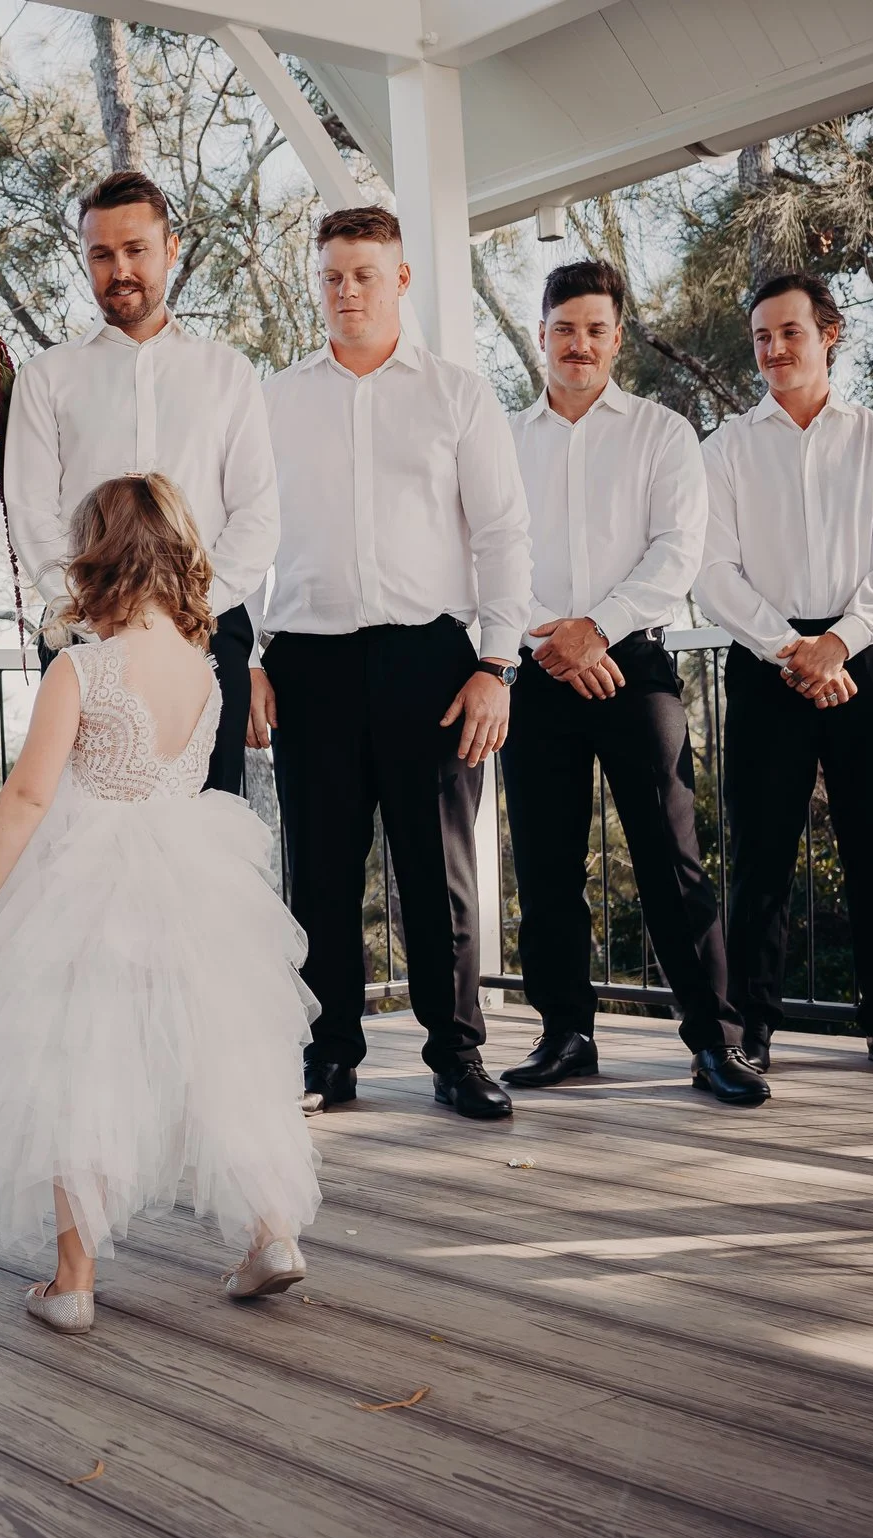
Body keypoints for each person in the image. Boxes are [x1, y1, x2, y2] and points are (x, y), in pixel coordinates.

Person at [0, 475, 321, 1336]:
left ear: (96, 561)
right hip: (197, 870)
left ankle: (72, 1279)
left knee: (82, 1063)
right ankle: (271, 1231)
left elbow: (31, 796)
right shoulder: (205, 670)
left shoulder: (83, 667)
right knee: (218, 1058)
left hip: (94, 881)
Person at [249, 205, 532, 1121]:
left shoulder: (458, 393)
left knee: (436, 870)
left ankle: (458, 1057)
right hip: (308, 664)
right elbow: (243, 535)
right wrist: (251, 656)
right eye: (331, 275)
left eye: (365, 273)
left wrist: (497, 663)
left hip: (433, 663)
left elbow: (501, 534)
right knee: (321, 874)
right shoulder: (276, 399)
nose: (346, 291)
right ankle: (328, 1057)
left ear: (401, 280)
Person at [499, 261, 770, 1107]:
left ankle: (715, 1044)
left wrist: (595, 629)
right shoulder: (502, 439)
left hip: (634, 664)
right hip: (535, 666)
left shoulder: (663, 433)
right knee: (546, 865)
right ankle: (566, 1033)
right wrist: (550, 636)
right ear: (540, 334)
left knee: (670, 856)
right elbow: (486, 552)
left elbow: (675, 553)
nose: (579, 344)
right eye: (564, 328)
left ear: (617, 336)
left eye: (595, 329)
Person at [695, 274, 873, 1077]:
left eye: (789, 333)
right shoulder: (725, 447)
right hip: (767, 664)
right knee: (760, 856)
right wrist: (787, 648)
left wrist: (837, 642)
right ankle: (752, 1026)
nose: (773, 350)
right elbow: (713, 571)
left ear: (828, 333)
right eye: (761, 337)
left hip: (866, 657)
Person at [3, 171, 277, 793]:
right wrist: (91, 614)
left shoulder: (228, 373)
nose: (119, 268)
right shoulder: (48, 377)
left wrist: (193, 611)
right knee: (81, 825)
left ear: (171, 249)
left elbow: (257, 515)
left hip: (208, 630)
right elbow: (30, 510)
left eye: (135, 250)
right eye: (101, 254)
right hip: (84, 634)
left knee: (207, 822)